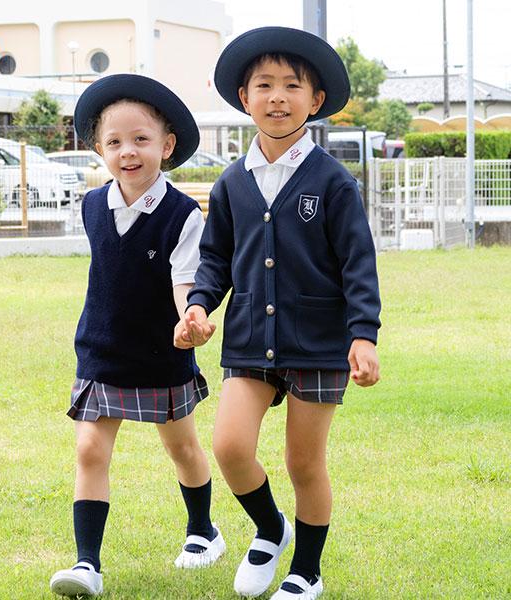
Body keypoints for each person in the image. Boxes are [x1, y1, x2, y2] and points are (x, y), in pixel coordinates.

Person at [174, 27, 381, 600]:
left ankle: (306, 569)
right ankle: (270, 529)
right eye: (264, 84)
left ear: (315, 102)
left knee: (303, 461)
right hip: (247, 338)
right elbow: (215, 258)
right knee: (231, 446)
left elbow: (358, 265)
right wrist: (196, 306)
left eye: (293, 85)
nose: (278, 95)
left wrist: (363, 336)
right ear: (245, 98)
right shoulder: (231, 183)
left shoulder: (334, 182)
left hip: (318, 341)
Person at [50, 74, 225, 598]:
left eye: (141, 140)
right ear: (100, 149)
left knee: (183, 448)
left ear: (167, 147)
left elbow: (184, 280)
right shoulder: (91, 205)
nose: (128, 152)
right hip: (101, 350)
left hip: (160, 352)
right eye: (114, 142)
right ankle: (87, 566)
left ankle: (203, 531)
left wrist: (190, 320)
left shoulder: (181, 213)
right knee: (88, 451)